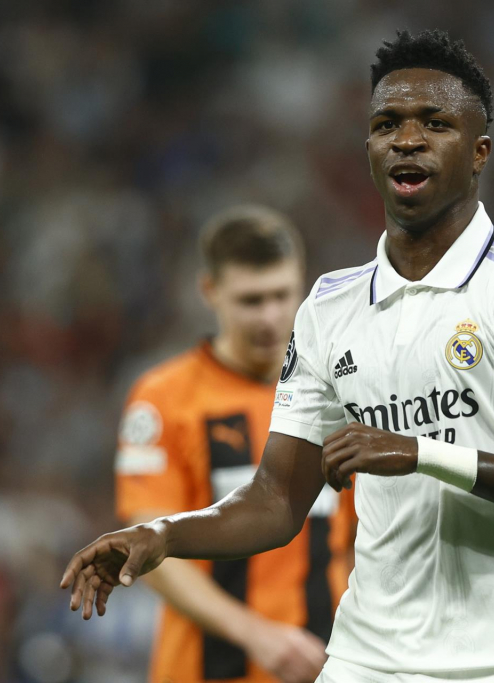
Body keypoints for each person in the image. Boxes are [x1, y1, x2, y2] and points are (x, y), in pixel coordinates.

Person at [63, 29, 494, 683]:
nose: (407, 139)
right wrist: (162, 536)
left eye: (435, 123)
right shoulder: (330, 308)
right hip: (369, 661)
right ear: (369, 150)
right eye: (387, 124)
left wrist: (420, 453)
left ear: (480, 152)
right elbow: (276, 498)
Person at [112, 205, 357, 683]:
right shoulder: (162, 399)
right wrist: (255, 634)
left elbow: (362, 541)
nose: (269, 317)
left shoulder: (341, 393)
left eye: (282, 295)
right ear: (210, 290)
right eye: (250, 300)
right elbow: (149, 549)